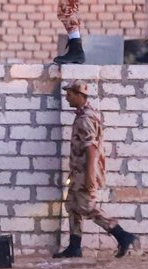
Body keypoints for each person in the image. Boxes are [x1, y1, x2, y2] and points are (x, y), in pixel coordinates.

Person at [55, 80, 137, 259]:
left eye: (69, 94)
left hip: (85, 172)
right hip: (78, 172)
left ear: (79, 95)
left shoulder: (85, 118)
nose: (67, 97)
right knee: (72, 206)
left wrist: (90, 175)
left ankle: (122, 235)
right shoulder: (83, 114)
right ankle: (74, 247)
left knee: (87, 207)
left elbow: (90, 148)